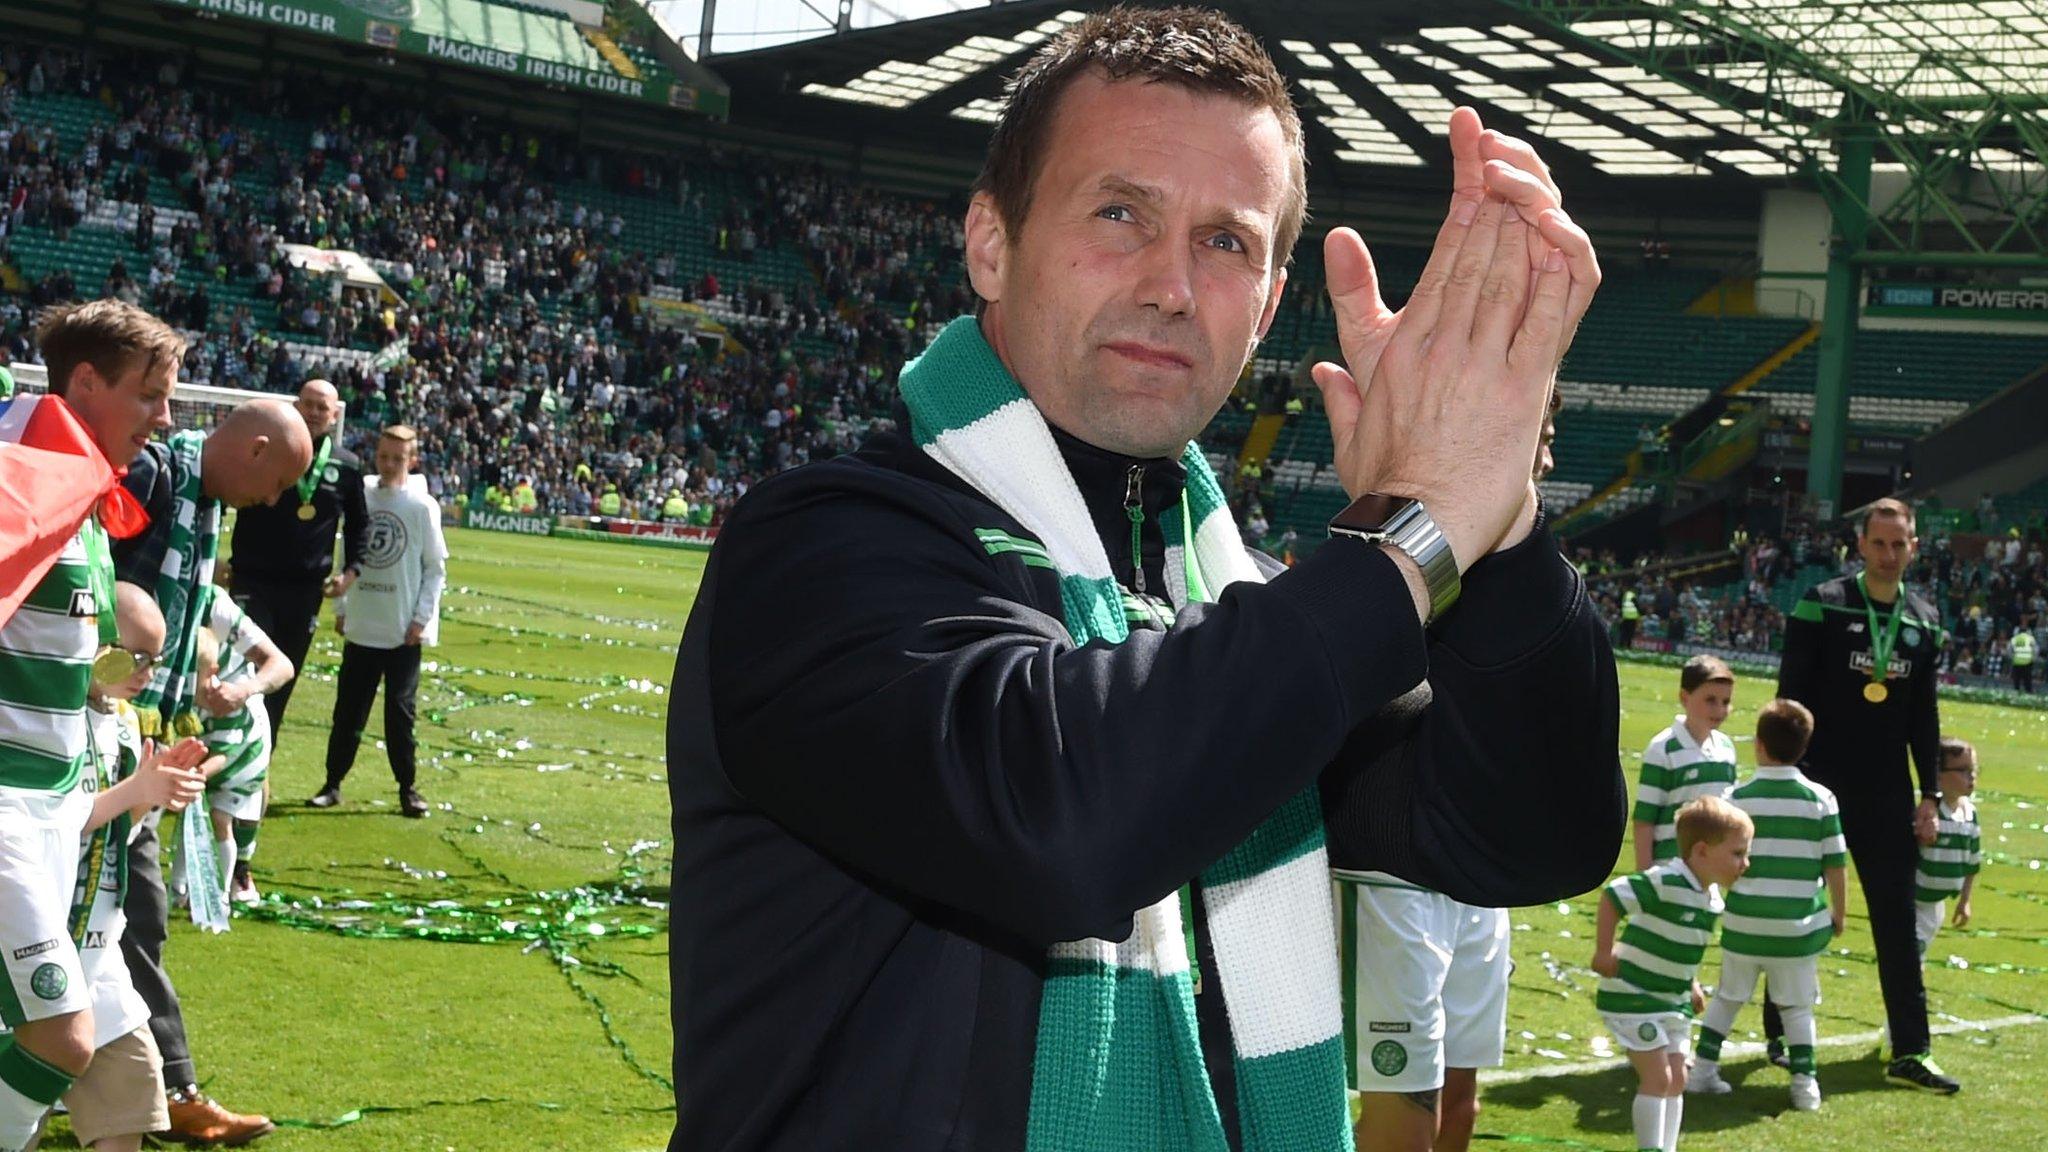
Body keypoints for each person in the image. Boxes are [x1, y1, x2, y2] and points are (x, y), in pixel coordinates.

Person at [666, 9, 1615, 1149]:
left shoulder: (1228, 598)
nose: (1171, 285)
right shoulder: (825, 546)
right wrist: (1408, 536)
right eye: (1121, 214)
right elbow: (1056, 815)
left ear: (1266, 306)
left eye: (1225, 243)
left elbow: (1522, 835)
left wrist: (1495, 524)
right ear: (989, 242)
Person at [1, 300, 202, 1152]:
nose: (164, 419)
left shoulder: (84, 501)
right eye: (151, 396)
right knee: (62, 1037)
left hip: (53, 815)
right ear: (85, 383)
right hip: (7, 813)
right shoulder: (23, 479)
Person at [112, 398, 309, 1147]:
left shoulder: (200, 501)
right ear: (255, 448)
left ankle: (155, 1093)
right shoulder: (157, 477)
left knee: (126, 919)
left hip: (140, 745)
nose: (273, 501)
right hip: (98, 741)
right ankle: (169, 1091)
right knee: (129, 916)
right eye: (279, 481)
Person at [1776, 497, 1958, 1093]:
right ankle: (1781, 1035)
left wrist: (1929, 793)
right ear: (1861, 545)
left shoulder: (1925, 620)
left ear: (1914, 547)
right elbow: (1790, 699)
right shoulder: (1822, 603)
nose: (1888, 554)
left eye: (1899, 544)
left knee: (1897, 924)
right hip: (1818, 783)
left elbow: (1923, 718)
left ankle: (1911, 1050)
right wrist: (1786, 777)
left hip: (1887, 794)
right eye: (1878, 543)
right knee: (1793, 911)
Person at [41, 583, 207, 1152]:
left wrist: (150, 796)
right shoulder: (39, 717)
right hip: (31, 942)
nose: (145, 672)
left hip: (96, 947)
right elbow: (45, 824)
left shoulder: (128, 725)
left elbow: (117, 836)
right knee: (20, 1116)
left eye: (154, 660)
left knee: (131, 1093)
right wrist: (135, 789)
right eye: (132, 655)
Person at [1688, 699, 1845, 1112]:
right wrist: (1839, 913)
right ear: (1804, 746)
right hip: (1797, 926)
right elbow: (1835, 864)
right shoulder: (1820, 799)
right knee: (1796, 1008)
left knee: (1727, 998)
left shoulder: (1735, 796)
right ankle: (1804, 1086)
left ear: (1758, 744)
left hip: (1744, 923)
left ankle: (1702, 1071)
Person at [1591, 797, 1753, 1152]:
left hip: (1672, 1000)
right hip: (1633, 995)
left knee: (1678, 1078)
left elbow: (1682, 947)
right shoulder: (1666, 880)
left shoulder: (1712, 900)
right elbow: (1613, 898)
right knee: (1658, 1077)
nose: (1745, 863)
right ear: (1701, 852)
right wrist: (1604, 951)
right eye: (1738, 853)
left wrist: (1691, 984)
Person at [311, 426, 446, 818]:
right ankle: (332, 783)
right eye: (384, 456)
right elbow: (345, 550)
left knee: (399, 715)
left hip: (403, 632)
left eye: (397, 459)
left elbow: (435, 569)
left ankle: (408, 788)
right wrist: (340, 608)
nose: (388, 465)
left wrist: (422, 618)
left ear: (412, 461)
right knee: (348, 711)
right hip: (363, 625)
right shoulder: (363, 495)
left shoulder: (422, 507)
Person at [224, 380, 366, 740]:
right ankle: (223, 756)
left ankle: (259, 771)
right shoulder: (267, 447)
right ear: (295, 405)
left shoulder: (347, 465)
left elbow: (359, 526)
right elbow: (227, 492)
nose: (315, 412)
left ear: (335, 416)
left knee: (281, 682)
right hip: (252, 580)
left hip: (305, 592)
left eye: (323, 407)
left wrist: (351, 572)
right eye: (309, 404)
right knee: (241, 670)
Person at [190, 585, 296, 904]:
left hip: (231, 703)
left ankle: (241, 867)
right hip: (179, 706)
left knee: (246, 779)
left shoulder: (214, 604)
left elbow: (281, 664)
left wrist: (245, 690)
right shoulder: (138, 587)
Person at [1632, 656, 1738, 870]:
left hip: (1711, 872)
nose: (1719, 709)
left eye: (1725, 702)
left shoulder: (1726, 749)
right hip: (1670, 869)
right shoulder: (1663, 749)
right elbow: (1645, 820)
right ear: (1684, 697)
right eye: (1710, 700)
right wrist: (1646, 874)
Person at [1912, 737, 1981, 957]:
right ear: (1938, 775)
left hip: (1936, 904)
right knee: (1912, 953)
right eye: (1962, 770)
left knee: (1917, 954)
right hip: (1915, 900)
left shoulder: (1970, 815)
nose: (1971, 776)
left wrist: (1964, 901)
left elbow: (1972, 864)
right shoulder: (1928, 813)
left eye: (1974, 769)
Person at [2012, 626, 2036, 694]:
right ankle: (2028, 693)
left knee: (2017, 680)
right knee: (2027, 680)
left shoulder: (2014, 638)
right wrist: (2033, 658)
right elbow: (2034, 649)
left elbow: (2011, 650)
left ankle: (2016, 692)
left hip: (2017, 662)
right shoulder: (2031, 638)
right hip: (2027, 662)